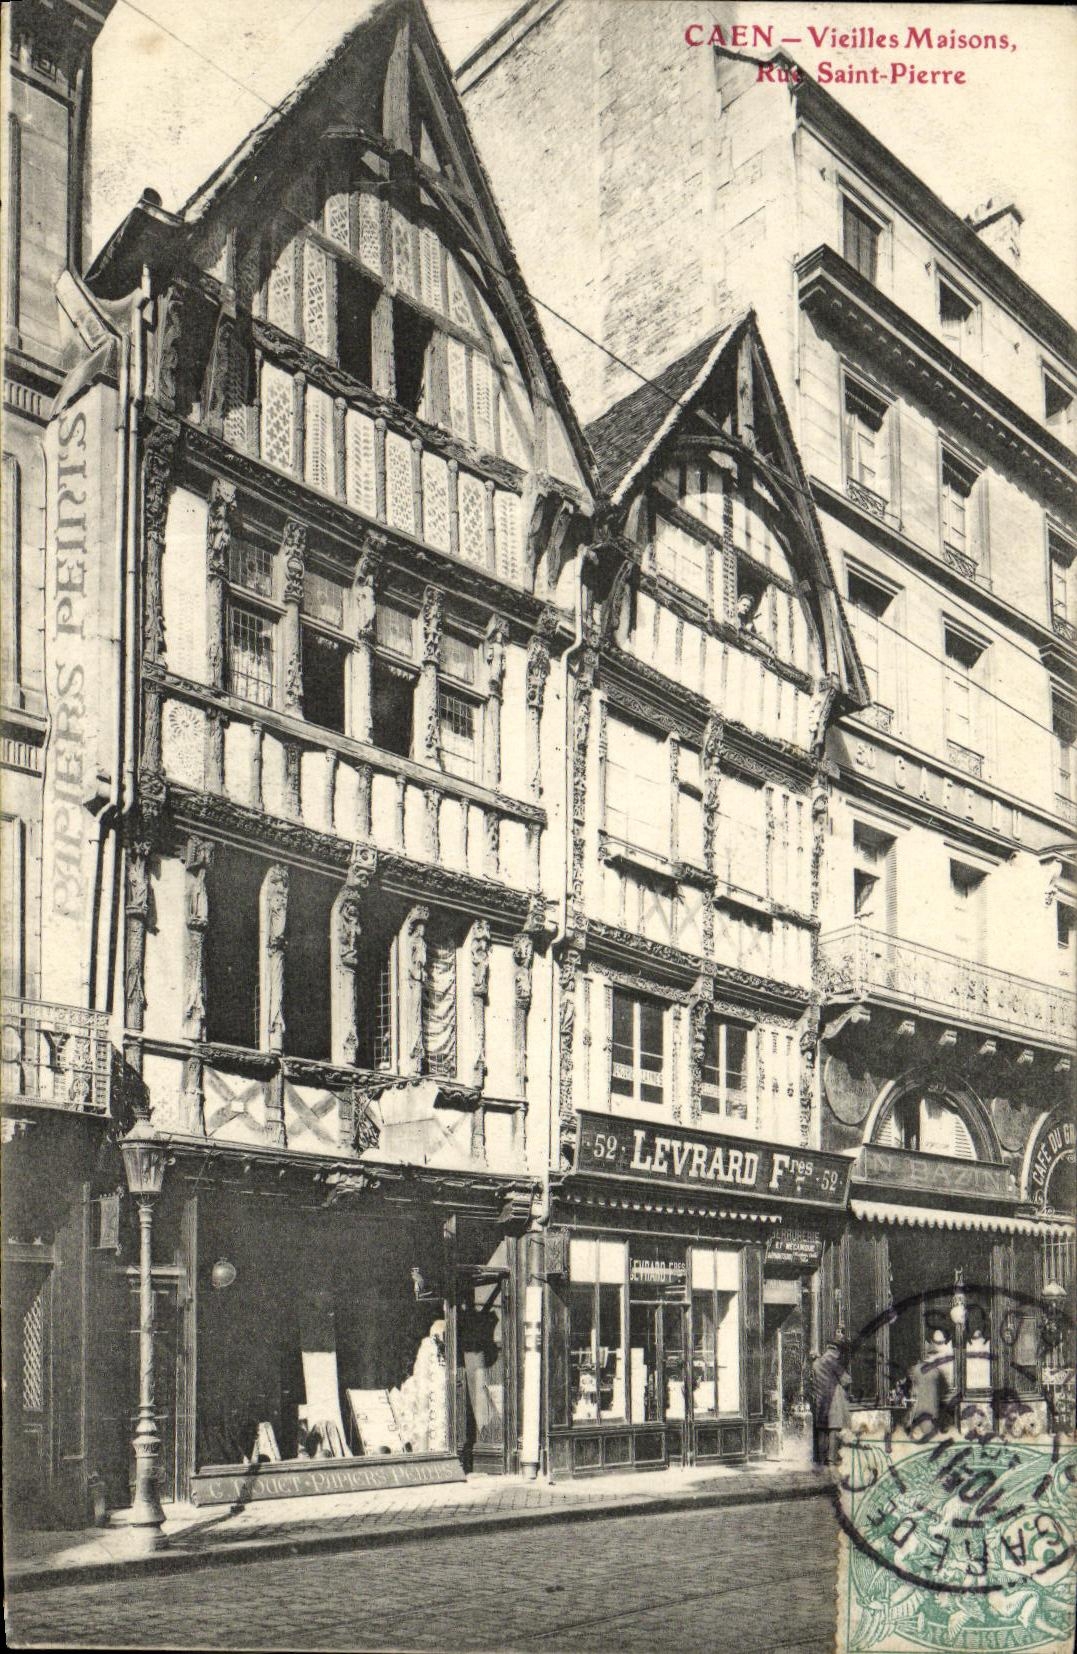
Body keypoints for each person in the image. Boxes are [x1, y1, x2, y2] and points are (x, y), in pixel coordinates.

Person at [905, 1328, 956, 1440]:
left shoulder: (917, 1369)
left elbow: (909, 1386)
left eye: (940, 1343)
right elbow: (945, 1390)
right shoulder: (937, 1368)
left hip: (925, 1406)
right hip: (934, 1406)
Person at [811, 1334, 846, 1466]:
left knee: (822, 1429)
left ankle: (820, 1458)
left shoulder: (816, 1363)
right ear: (837, 1350)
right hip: (833, 1401)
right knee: (834, 1428)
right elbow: (846, 1380)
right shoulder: (834, 1363)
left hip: (820, 1400)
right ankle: (831, 1459)